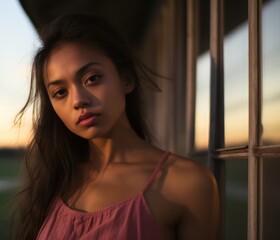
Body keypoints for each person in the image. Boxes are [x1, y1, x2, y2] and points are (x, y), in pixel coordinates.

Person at [14, 14, 219, 240]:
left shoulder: (187, 184)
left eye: (92, 78)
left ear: (126, 80)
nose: (77, 101)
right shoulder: (56, 176)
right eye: (60, 92)